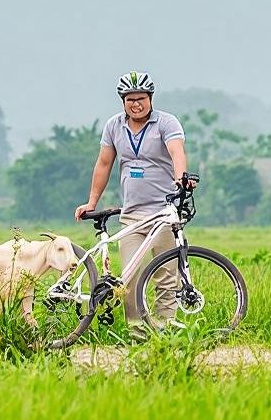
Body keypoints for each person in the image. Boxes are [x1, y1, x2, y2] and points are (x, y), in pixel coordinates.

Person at [74, 71, 191, 331]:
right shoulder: (114, 126)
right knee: (129, 276)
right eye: (130, 99)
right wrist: (91, 202)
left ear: (150, 98)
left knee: (166, 275)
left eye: (141, 98)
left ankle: (165, 324)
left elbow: (177, 153)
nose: (136, 104)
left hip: (163, 212)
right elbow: (104, 164)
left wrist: (181, 179)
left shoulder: (166, 123)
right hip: (132, 214)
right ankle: (136, 328)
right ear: (122, 101)